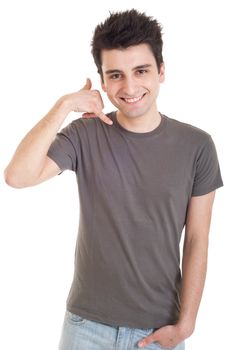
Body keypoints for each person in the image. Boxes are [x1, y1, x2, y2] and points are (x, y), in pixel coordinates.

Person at [4, 9, 223, 350]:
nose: (130, 86)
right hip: (85, 327)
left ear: (161, 72)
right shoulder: (84, 134)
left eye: (141, 71)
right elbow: (17, 176)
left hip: (159, 329)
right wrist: (64, 105)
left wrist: (185, 326)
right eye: (116, 75)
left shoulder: (197, 146)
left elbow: (197, 239)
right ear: (103, 82)